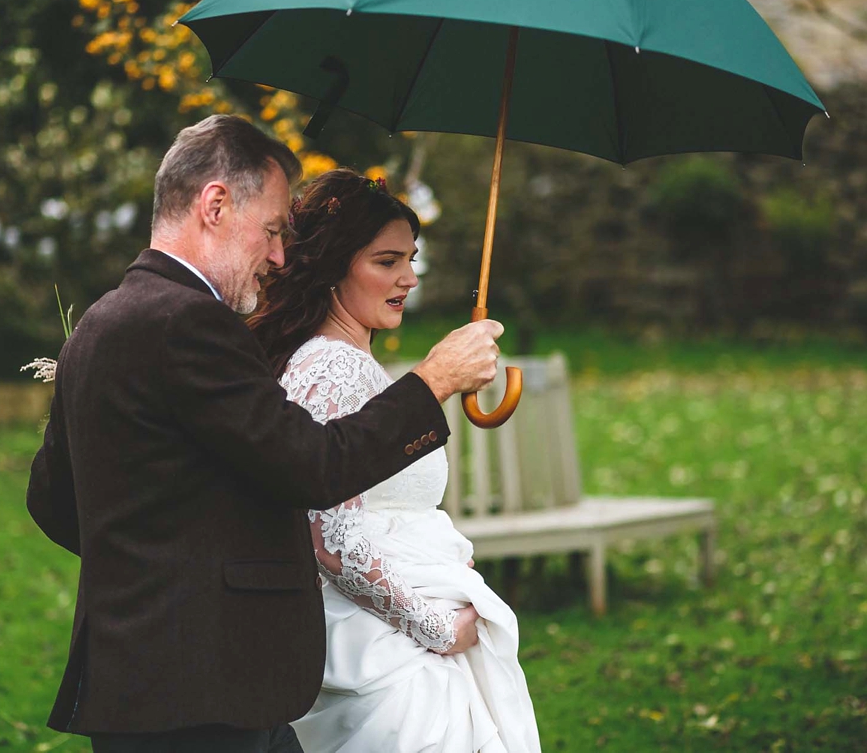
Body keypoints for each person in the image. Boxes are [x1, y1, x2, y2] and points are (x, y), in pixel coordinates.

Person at [26, 116, 506, 753]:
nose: (280, 255)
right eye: (274, 230)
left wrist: (147, 566)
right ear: (216, 205)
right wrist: (433, 381)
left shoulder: (100, 321)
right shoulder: (191, 323)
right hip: (201, 686)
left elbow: (52, 497)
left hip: (151, 679)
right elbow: (312, 465)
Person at [249, 169, 541, 752]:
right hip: (386, 650)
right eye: (386, 261)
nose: (408, 277)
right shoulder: (332, 368)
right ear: (333, 267)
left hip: (404, 623)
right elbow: (327, 535)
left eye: (411, 258)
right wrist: (434, 627)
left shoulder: (345, 363)